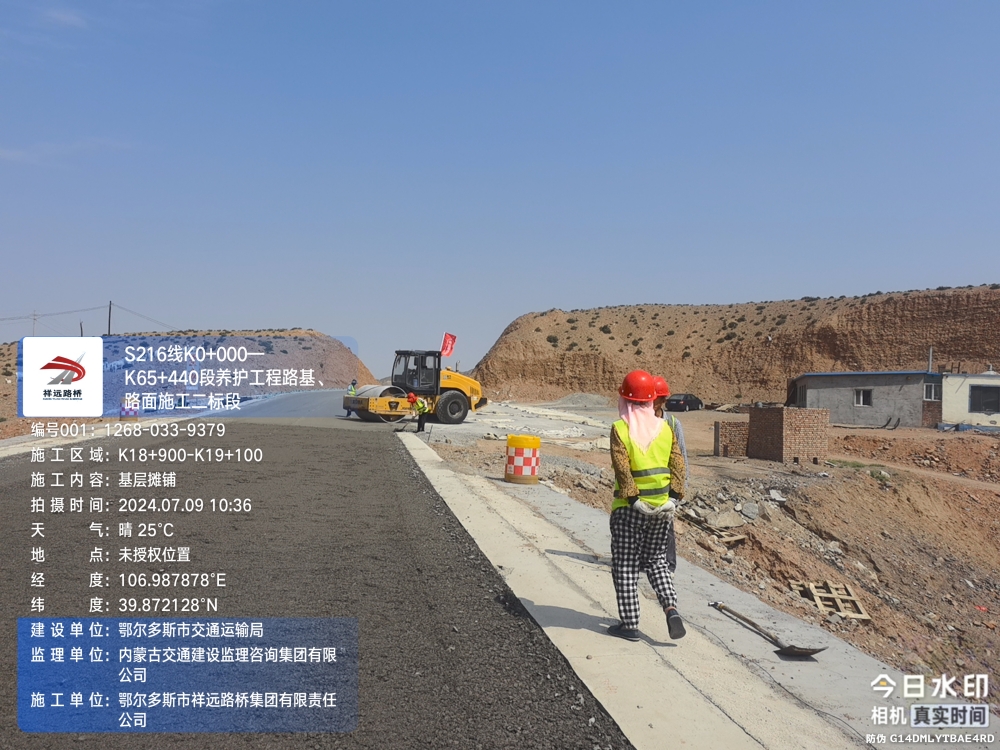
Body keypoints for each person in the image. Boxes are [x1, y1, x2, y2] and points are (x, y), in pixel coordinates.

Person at [607, 370, 687, 642]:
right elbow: (678, 464)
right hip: (662, 509)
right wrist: (674, 497)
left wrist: (633, 499)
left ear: (624, 399)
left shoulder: (620, 429)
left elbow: (622, 468)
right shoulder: (665, 428)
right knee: (657, 562)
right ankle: (671, 608)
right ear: (652, 400)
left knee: (626, 565)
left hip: (630, 509)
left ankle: (630, 625)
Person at [653, 376, 685, 576]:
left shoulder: (672, 423)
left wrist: (678, 492)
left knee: (667, 525)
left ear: (663, 400)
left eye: (655, 399)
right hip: (649, 485)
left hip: (666, 486)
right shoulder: (642, 423)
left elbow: (681, 458)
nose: (651, 403)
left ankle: (669, 565)